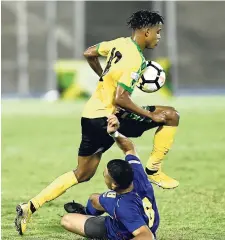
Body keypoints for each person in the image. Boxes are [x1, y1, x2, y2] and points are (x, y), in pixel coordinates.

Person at [15, 10, 179, 235]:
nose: (159, 37)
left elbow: (89, 52)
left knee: (81, 174)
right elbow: (121, 98)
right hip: (108, 117)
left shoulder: (119, 43)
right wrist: (151, 116)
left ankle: (30, 206)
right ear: (147, 31)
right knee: (170, 115)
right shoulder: (136, 60)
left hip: (90, 115)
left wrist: (104, 78)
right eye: (158, 32)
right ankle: (153, 169)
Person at [61, 115, 159, 240]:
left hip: (121, 232)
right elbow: (129, 148)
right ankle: (86, 212)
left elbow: (148, 236)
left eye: (105, 175)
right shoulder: (138, 174)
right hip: (139, 218)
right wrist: (115, 133)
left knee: (67, 220)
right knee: (95, 199)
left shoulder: (122, 205)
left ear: (114, 185)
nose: (104, 176)